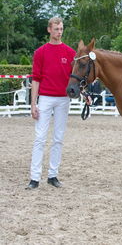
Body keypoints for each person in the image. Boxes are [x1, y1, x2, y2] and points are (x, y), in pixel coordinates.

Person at [26, 17, 76, 189]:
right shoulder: (40, 52)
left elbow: (75, 78)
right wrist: (33, 104)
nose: (59, 32)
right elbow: (36, 79)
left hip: (63, 99)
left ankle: (53, 175)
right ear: (49, 30)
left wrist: (84, 94)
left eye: (61, 29)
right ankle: (34, 178)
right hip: (45, 98)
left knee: (58, 138)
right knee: (40, 138)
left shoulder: (70, 53)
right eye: (56, 29)